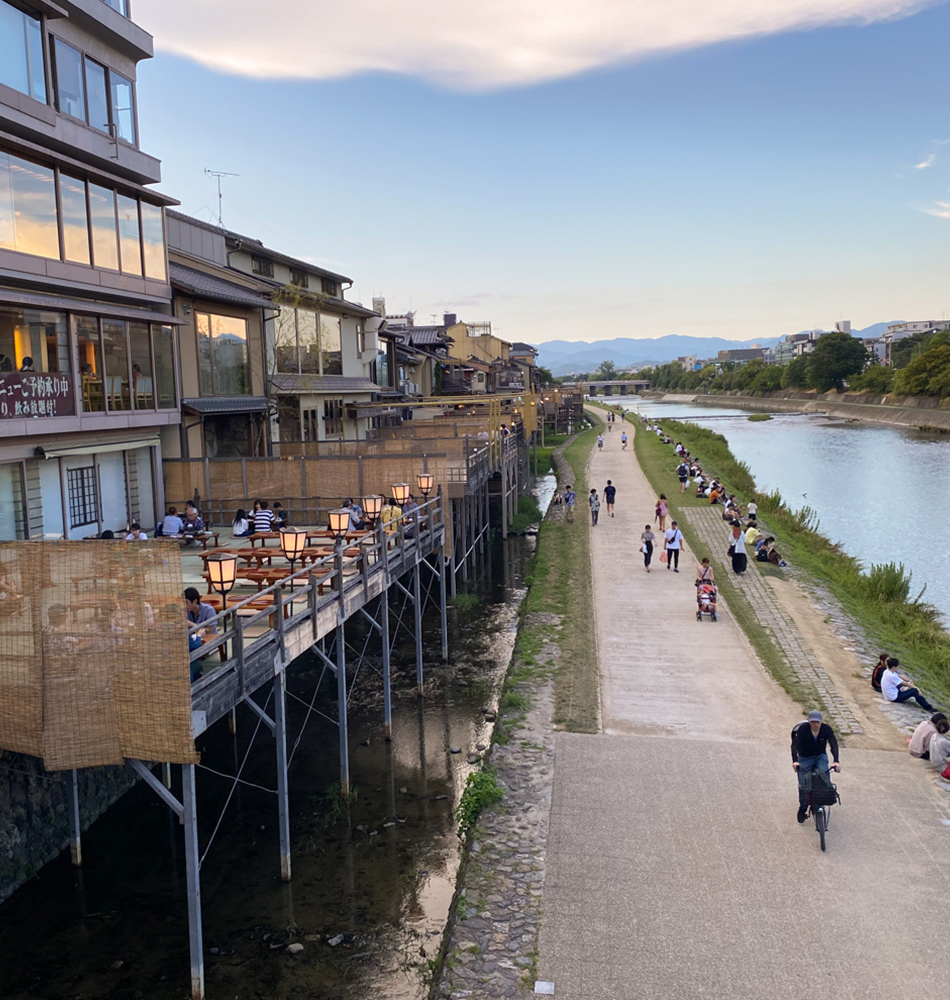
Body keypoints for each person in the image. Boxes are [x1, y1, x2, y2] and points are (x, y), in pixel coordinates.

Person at [791, 710, 840, 823]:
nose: (815, 724)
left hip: (819, 756)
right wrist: (795, 761)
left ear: (821, 722)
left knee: (824, 775)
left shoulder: (826, 729)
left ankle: (821, 800)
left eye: (817, 722)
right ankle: (803, 808)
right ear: (809, 722)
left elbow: (833, 744)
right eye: (813, 722)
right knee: (803, 784)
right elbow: (795, 745)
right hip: (805, 757)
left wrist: (836, 761)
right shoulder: (803, 729)